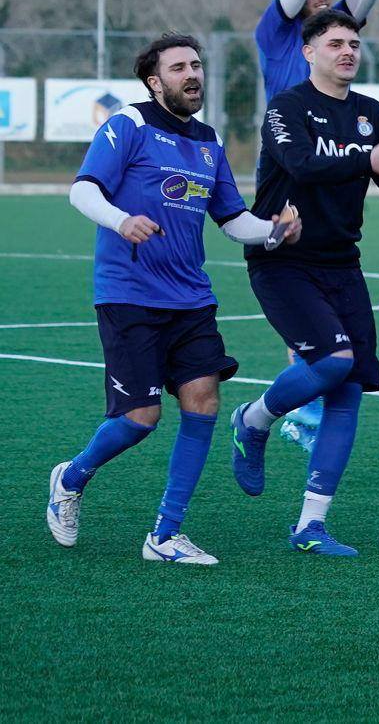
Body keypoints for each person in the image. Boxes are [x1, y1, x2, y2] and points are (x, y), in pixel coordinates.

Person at [48, 33, 301, 564]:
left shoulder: (209, 140)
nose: (193, 74)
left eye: (197, 65)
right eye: (180, 67)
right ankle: (71, 478)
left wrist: (274, 231)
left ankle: (165, 534)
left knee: (203, 403)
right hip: (129, 296)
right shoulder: (129, 125)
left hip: (191, 300)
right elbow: (82, 189)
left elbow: (233, 220)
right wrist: (122, 220)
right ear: (153, 80)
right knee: (139, 419)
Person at [227, 9, 379, 555]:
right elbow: (303, 163)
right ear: (309, 52)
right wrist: (367, 158)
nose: (347, 51)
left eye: (355, 44)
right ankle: (253, 419)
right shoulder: (286, 109)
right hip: (281, 261)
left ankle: (310, 525)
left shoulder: (371, 113)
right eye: (335, 42)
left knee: (348, 392)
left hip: (342, 264)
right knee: (333, 362)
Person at [256, 0, 379, 453]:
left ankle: (304, 407)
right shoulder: (278, 32)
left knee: (327, 289)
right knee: (298, 281)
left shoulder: (334, 34)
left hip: (335, 170)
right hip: (289, 165)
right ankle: (293, 411)